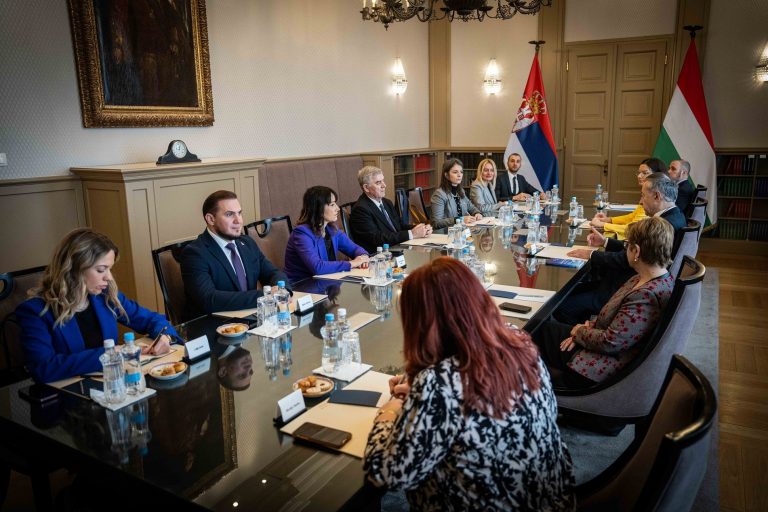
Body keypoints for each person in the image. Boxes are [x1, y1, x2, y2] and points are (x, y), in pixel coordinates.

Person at [364, 257, 575, 511]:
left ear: (422, 323)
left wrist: (391, 411)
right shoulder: (518, 341)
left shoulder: (438, 384)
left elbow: (387, 475)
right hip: (549, 499)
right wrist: (422, 393)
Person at [16, 228, 174, 383]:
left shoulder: (105, 297)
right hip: (68, 393)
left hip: (113, 385)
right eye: (101, 270)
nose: (109, 277)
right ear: (74, 269)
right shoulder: (35, 311)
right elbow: (43, 368)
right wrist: (109, 354)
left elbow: (152, 319)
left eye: (109, 269)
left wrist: (165, 337)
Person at [536, 218, 675, 388]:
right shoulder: (651, 278)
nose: (625, 249)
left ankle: (539, 390)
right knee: (543, 327)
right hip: (596, 341)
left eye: (627, 246)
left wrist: (580, 332)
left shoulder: (645, 295)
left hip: (598, 365)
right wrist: (587, 328)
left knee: (532, 334)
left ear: (637, 251)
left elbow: (610, 343)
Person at [555, 173, 686, 324]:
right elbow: (637, 249)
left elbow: (629, 258)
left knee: (562, 304)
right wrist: (606, 242)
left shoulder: (665, 224)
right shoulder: (674, 216)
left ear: (657, 196)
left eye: (643, 196)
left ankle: (576, 334)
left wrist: (591, 255)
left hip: (625, 286)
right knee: (569, 292)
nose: (640, 201)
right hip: (629, 279)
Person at [181, 190, 290, 318]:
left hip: (252, 319)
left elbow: (273, 273)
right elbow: (209, 299)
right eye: (229, 214)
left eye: (239, 213)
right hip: (216, 325)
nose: (238, 221)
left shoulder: (247, 243)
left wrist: (283, 290)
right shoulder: (195, 253)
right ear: (211, 219)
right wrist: (265, 295)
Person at [284, 186, 369, 283]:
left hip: (327, 281)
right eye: (332, 204)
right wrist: (352, 263)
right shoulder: (302, 234)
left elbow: (354, 249)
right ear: (318, 208)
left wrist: (363, 257)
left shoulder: (331, 229)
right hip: (303, 285)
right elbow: (318, 267)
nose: (338, 208)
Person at [349, 166, 432, 253]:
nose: (384, 185)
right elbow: (377, 238)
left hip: (398, 248)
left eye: (383, 181)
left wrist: (421, 228)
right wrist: (412, 234)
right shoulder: (360, 209)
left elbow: (399, 226)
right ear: (366, 188)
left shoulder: (387, 202)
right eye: (378, 183)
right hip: (380, 255)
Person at [590, 157, 666, 240]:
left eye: (645, 173)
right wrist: (609, 220)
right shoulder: (648, 192)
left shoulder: (652, 196)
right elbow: (633, 216)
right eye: (639, 173)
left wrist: (603, 225)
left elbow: (634, 227)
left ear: (657, 175)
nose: (639, 176)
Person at [430, 158, 483, 229]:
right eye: (455, 172)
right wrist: (460, 219)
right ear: (446, 175)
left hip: (463, 231)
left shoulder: (460, 191)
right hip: (447, 233)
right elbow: (436, 223)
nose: (459, 175)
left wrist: (477, 213)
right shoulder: (439, 195)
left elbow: (470, 207)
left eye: (461, 172)